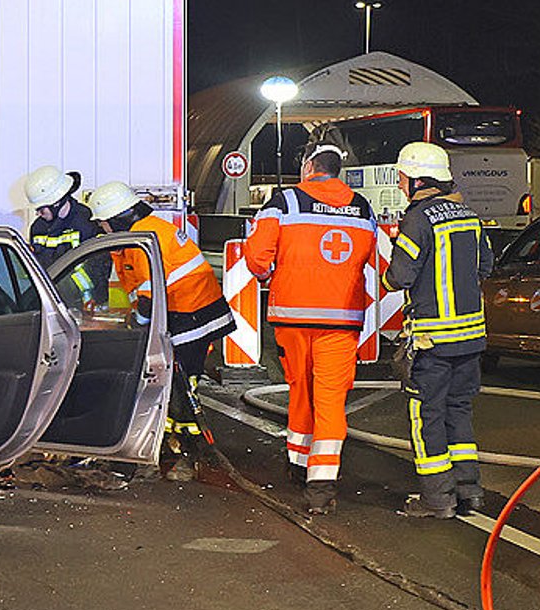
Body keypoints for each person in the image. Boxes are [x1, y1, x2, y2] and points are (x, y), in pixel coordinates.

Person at [243, 144, 375, 513]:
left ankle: (298, 464)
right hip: (341, 321)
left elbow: (256, 257)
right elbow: (371, 258)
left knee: (300, 389)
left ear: (310, 168)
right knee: (331, 400)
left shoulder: (285, 201)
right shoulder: (362, 207)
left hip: (292, 317)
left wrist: (275, 276)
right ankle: (321, 486)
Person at [89, 181, 235, 480]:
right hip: (187, 313)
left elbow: (149, 292)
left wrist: (139, 323)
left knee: (180, 386)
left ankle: (187, 454)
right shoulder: (145, 230)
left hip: (192, 317)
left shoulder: (142, 237)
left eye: (102, 222)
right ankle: (168, 447)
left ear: (116, 218)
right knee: (172, 384)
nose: (101, 228)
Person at [383, 141, 493, 519]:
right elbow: (486, 266)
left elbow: (399, 276)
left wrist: (385, 276)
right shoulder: (468, 215)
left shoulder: (417, 219)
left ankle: (436, 497)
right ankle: (468, 489)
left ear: (416, 179)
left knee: (426, 415)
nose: (399, 185)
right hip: (471, 337)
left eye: (401, 178)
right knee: (458, 410)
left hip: (432, 340)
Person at [22, 165, 99, 269]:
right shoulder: (37, 228)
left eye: (41, 209)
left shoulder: (87, 221)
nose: (38, 214)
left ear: (56, 203)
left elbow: (97, 269)